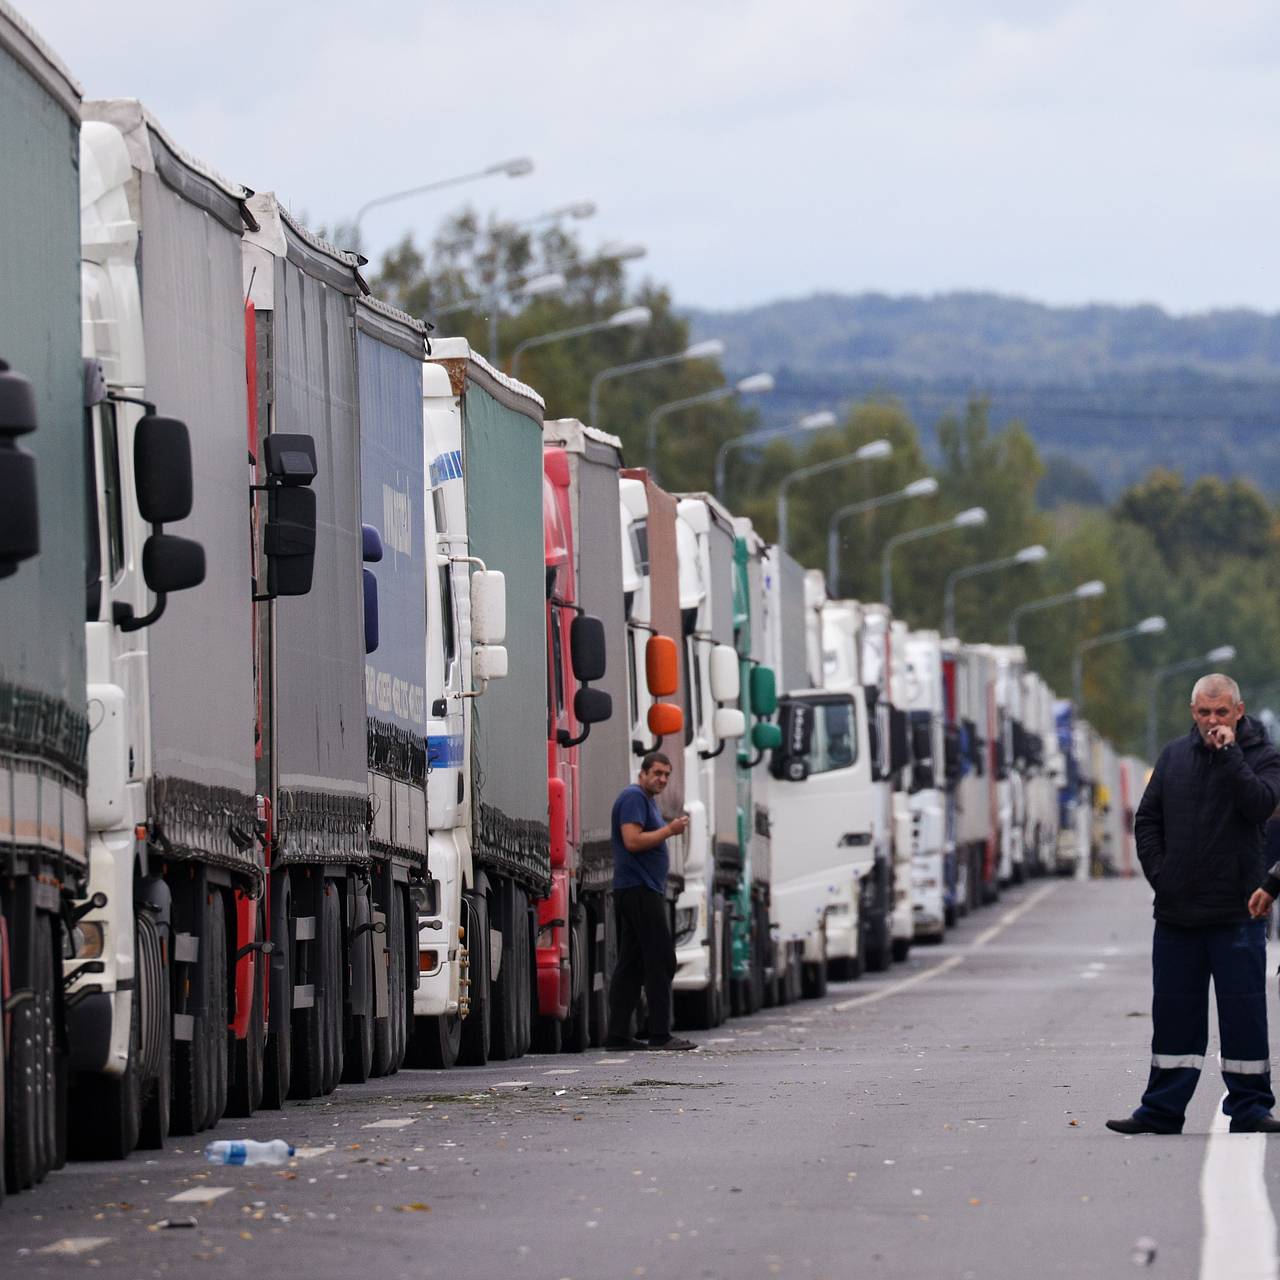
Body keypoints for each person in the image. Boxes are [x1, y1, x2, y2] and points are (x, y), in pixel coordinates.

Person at [1107, 673, 1280, 1135]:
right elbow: (1147, 820)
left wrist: (1229, 755)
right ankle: (1162, 1110)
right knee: (1174, 1015)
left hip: (1235, 914)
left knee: (1243, 1015)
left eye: (1221, 712)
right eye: (1204, 713)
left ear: (1238, 712)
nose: (1212, 721)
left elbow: (1260, 805)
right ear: (1193, 712)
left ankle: (1249, 1108)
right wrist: (1161, 876)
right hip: (1178, 915)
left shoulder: (1262, 756)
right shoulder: (1174, 756)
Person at [605, 751, 696, 1051]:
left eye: (667, 775)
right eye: (657, 773)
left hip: (641, 889)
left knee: (632, 964)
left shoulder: (646, 801)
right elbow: (632, 840)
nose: (662, 779)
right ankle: (660, 1033)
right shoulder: (633, 797)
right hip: (639, 889)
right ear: (642, 773)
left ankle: (618, 1035)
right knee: (661, 959)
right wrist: (669, 831)